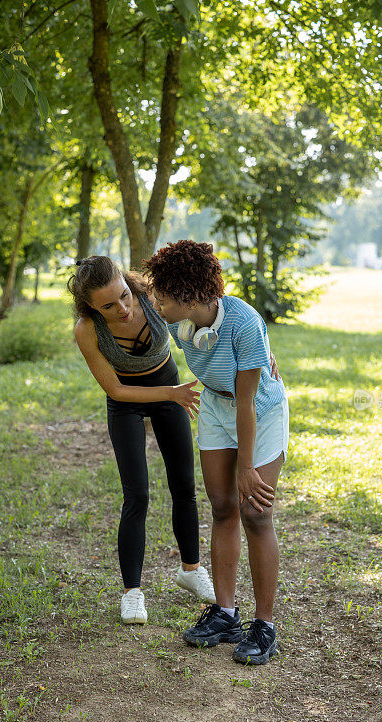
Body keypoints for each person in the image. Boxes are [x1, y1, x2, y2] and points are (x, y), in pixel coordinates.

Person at [144, 240, 289, 665]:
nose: (159, 304)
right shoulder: (177, 321)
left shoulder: (243, 323)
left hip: (258, 410)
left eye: (164, 297)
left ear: (189, 297)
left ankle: (265, 626)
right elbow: (132, 293)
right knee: (223, 506)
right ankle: (225, 613)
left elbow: (246, 404)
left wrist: (246, 465)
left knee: (256, 513)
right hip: (213, 404)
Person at [68, 255, 217, 625]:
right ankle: (132, 594)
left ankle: (191, 569)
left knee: (184, 486)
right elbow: (116, 390)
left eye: (123, 296)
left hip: (171, 390)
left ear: (126, 281)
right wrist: (170, 394)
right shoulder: (87, 329)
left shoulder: (152, 294)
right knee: (137, 496)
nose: (121, 307)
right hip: (129, 403)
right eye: (108, 305)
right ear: (90, 306)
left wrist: (261, 351)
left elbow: (214, 311)